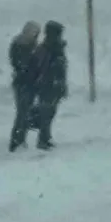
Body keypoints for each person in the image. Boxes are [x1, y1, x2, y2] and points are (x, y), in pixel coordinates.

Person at [33, 21, 68, 150]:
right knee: (46, 113)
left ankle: (45, 137)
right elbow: (42, 67)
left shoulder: (55, 48)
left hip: (54, 85)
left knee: (50, 113)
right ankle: (43, 139)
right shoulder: (46, 49)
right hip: (48, 85)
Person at [8, 21, 42, 151]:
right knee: (22, 113)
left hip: (28, 83)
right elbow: (19, 63)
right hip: (23, 83)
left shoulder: (31, 45)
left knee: (24, 113)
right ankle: (17, 141)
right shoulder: (20, 45)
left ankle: (20, 139)